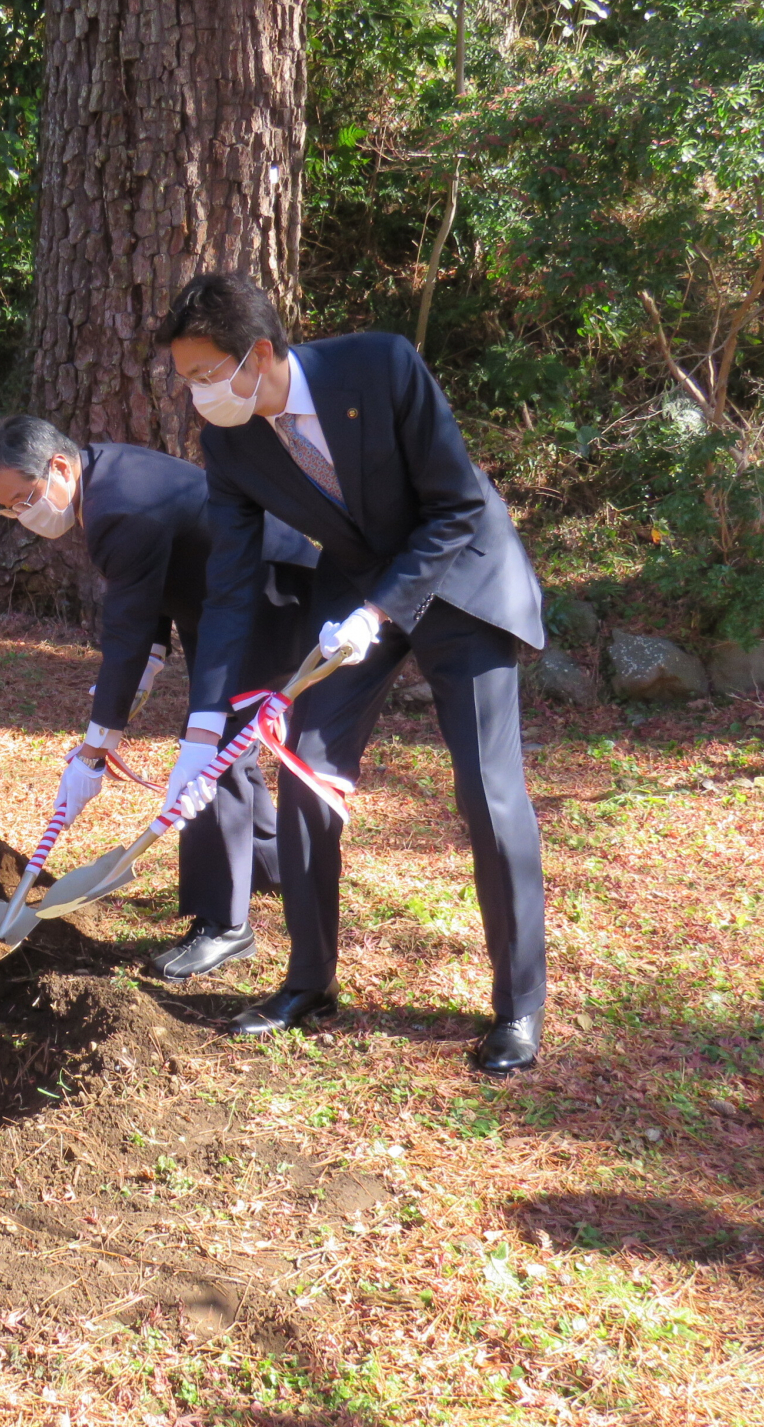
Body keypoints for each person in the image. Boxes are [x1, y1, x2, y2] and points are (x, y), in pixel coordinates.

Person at [156, 273, 549, 1074]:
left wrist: (385, 609)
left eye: (205, 375)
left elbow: (456, 505)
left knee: (487, 787)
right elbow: (228, 586)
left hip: (462, 580)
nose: (197, 395)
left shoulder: (382, 366)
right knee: (306, 771)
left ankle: (518, 1008)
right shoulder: (229, 442)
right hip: (350, 599)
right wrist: (204, 727)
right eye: (185, 379)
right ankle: (309, 981)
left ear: (259, 354)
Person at [0, 415, 316, 979]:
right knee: (226, 742)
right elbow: (154, 581)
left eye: (26, 497)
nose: (24, 514)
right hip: (232, 603)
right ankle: (268, 864)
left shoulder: (118, 507)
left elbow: (127, 630)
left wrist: (94, 748)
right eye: (10, 508)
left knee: (211, 758)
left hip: (273, 600)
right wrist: (145, 670)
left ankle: (222, 925)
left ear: (59, 467)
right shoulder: (104, 478)